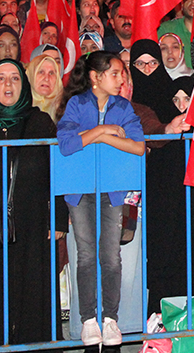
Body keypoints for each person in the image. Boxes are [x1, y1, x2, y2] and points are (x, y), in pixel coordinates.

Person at [0, 59, 64, 346]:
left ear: (24, 85)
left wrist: (57, 217)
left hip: (32, 223)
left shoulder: (40, 122)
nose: (8, 84)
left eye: (15, 79)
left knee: (32, 290)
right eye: (1, 79)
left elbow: (56, 173)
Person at [56, 52, 145, 347]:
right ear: (96, 77)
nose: (121, 79)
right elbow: (67, 144)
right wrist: (103, 130)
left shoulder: (123, 107)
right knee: (85, 255)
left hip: (113, 190)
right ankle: (88, 320)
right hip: (80, 191)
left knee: (111, 256)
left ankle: (111, 319)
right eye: (115, 73)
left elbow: (138, 146)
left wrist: (101, 137)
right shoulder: (77, 103)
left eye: (122, 74)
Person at [27, 52, 64, 122]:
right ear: (31, 75)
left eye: (51, 73)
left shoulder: (67, 109)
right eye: (41, 72)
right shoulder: (17, 110)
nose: (46, 78)